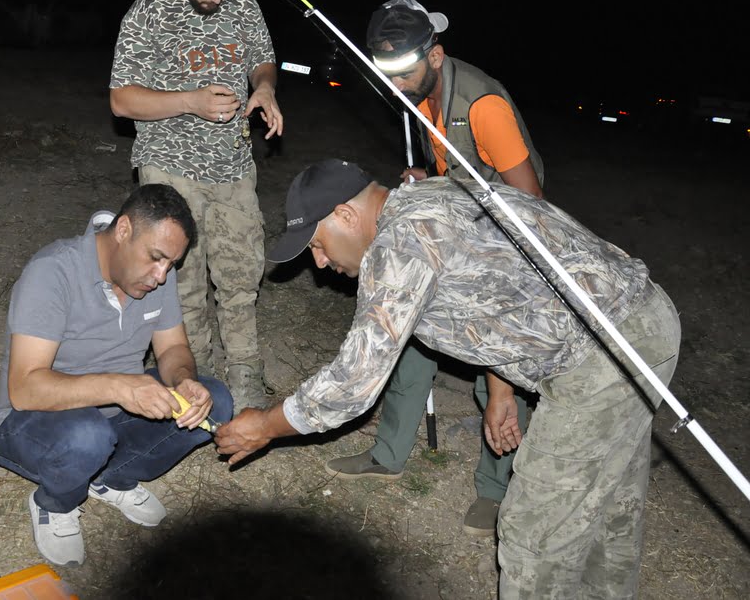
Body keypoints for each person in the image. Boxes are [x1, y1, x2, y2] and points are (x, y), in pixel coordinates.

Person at [215, 159, 681, 598]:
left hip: (599, 358)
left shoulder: (401, 241)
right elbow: (502, 289)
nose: (318, 262)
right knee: (610, 505)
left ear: (345, 214)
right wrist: (503, 387)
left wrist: (266, 426)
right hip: (644, 323)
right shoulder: (433, 192)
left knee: (533, 533)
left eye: (317, 243)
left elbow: (353, 381)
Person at [325, 0, 546, 536]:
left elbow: (531, 206)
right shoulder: (421, 97)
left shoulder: (482, 106)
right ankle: (388, 454)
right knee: (411, 340)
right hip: (457, 223)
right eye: (387, 74)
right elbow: (454, 171)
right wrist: (430, 181)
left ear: (437, 55)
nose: (397, 85)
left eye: (405, 71)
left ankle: (497, 488)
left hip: (507, 239)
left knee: (495, 368)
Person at [0, 184, 234, 567]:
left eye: (171, 264)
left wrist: (184, 379)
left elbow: (172, 350)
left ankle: (111, 478)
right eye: (155, 258)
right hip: (38, 421)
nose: (161, 275)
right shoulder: (53, 272)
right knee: (88, 434)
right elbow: (25, 388)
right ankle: (55, 502)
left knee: (215, 399)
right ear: (123, 231)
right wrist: (120, 386)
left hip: (113, 414)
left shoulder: (157, 277)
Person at [109, 0, 283, 412]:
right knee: (180, 282)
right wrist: (189, 101)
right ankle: (195, 377)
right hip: (170, 168)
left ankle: (246, 378)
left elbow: (262, 58)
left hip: (233, 166)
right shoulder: (148, 13)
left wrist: (264, 87)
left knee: (240, 274)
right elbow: (121, 100)